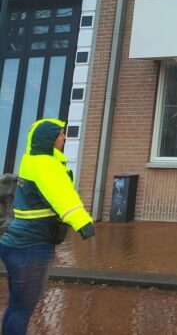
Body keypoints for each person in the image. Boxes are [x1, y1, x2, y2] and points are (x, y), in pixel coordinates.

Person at [0, 119, 95, 335]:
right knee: (22, 309)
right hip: (31, 248)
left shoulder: (31, 160)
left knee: (16, 306)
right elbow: (63, 197)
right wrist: (84, 224)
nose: (64, 138)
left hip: (17, 243)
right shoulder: (46, 166)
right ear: (49, 139)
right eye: (60, 134)